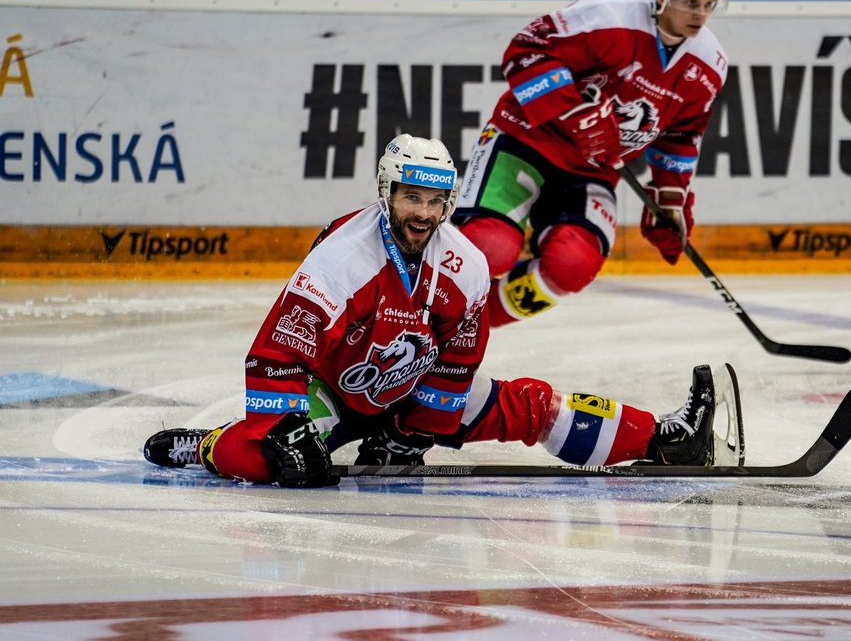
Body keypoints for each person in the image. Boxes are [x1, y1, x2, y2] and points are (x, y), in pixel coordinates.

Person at [142, 134, 743, 488]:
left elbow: (457, 361)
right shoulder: (341, 258)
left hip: (411, 389)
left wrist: (411, 435)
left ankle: (666, 437)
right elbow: (277, 353)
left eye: (436, 201)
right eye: (411, 198)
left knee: (530, 405)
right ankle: (205, 444)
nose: (424, 214)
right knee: (262, 455)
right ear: (387, 192)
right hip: (334, 389)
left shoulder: (469, 265)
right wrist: (282, 429)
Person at [454, 0, 729, 327]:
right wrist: (571, 111)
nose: (700, 15)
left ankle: (469, 329)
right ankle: (421, 314)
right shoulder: (608, 18)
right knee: (488, 248)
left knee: (572, 264)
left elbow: (681, 136)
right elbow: (525, 51)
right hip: (526, 139)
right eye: (690, 2)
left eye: (708, 3)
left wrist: (670, 201)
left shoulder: (709, 65)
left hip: (593, 170)